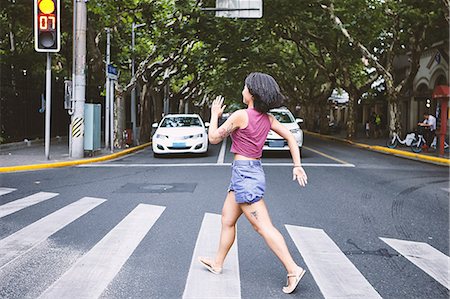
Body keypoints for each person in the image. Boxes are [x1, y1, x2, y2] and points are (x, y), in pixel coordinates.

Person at [198, 72, 308, 294]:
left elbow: (213, 138)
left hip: (246, 176)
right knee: (227, 219)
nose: (242, 90)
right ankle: (218, 263)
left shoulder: (240, 115)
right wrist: (296, 165)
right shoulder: (268, 119)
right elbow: (291, 137)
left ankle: (293, 269)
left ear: (252, 94)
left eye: (245, 87)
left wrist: (214, 115)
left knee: (263, 226)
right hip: (247, 173)